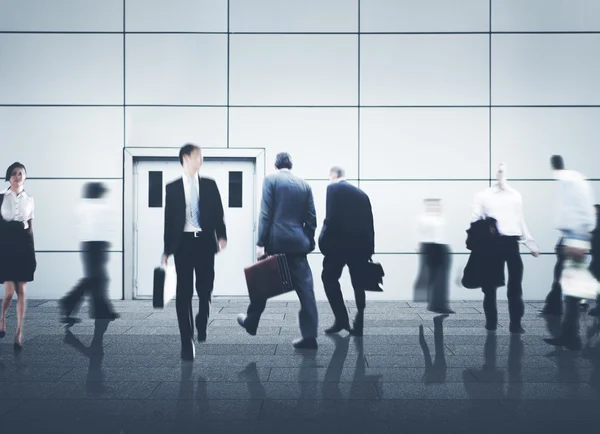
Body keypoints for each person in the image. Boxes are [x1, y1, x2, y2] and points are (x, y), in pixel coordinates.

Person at [237, 152, 319, 349]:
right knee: (306, 290)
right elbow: (312, 218)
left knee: (263, 282)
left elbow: (265, 213)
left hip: (277, 242)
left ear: (275, 165)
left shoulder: (270, 180)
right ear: (290, 165)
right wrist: (307, 240)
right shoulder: (304, 184)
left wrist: (260, 244)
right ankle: (310, 337)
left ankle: (251, 322)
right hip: (298, 244)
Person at [162, 144, 227, 361]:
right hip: (183, 244)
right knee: (183, 292)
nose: (201, 160)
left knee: (205, 287)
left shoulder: (209, 184)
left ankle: (202, 319)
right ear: (185, 157)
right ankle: (186, 341)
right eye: (198, 156)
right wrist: (166, 250)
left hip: (205, 243)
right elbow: (169, 222)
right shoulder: (171, 188)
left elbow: (219, 212)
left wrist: (222, 235)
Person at [470, 163, 539, 333]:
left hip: (511, 243)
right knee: (490, 287)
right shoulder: (484, 196)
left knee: (515, 286)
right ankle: (491, 322)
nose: (500, 174)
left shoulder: (515, 195)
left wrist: (530, 243)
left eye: (503, 171)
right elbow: (475, 218)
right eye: (498, 171)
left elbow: (520, 218)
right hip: (492, 244)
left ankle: (515, 323)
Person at [543, 156, 596, 350]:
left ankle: (570, 337)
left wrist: (577, 240)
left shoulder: (569, 181)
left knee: (574, 290)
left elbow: (577, 212)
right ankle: (569, 335)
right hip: (574, 238)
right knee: (572, 289)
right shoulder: (574, 179)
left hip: (575, 239)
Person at [319, 166, 374, 337]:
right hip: (360, 247)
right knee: (359, 284)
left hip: (338, 247)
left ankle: (341, 319)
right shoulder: (362, 194)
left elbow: (331, 218)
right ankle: (360, 321)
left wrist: (322, 241)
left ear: (332, 176)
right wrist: (370, 250)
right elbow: (370, 223)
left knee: (328, 278)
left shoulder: (333, 188)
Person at [59, 182, 119, 324]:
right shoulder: (100, 207)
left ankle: (100, 310)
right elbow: (101, 227)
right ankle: (69, 302)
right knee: (96, 278)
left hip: (87, 245)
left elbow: (78, 227)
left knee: (97, 278)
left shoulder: (81, 206)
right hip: (97, 245)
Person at [0, 162, 37, 350]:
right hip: (6, 246)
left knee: (22, 291)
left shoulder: (30, 199)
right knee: (8, 294)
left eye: (20, 173)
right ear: (9, 177)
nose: (17, 176)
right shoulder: (1, 198)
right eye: (13, 174)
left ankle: (19, 333)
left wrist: (32, 253)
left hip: (23, 246)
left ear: (25, 176)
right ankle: (3, 319)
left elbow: (30, 228)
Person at [414, 199, 454, 314]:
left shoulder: (439, 218)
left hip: (439, 247)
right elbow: (420, 234)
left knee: (440, 277)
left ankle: (438, 303)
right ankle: (436, 304)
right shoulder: (425, 219)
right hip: (431, 247)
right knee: (436, 277)